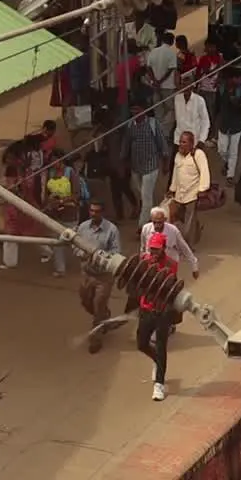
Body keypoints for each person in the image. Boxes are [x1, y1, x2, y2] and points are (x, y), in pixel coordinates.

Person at [138, 231, 179, 401]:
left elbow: (169, 286)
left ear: (163, 248)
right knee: (141, 343)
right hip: (145, 308)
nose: (153, 252)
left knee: (161, 345)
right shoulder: (144, 261)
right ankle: (157, 360)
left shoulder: (171, 264)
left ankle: (159, 384)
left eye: (156, 249)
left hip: (163, 311)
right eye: (151, 249)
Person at [76, 200, 120, 354]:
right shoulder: (82, 227)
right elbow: (75, 245)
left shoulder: (111, 230)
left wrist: (102, 258)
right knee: (85, 301)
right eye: (91, 211)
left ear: (103, 213)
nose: (93, 214)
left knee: (98, 304)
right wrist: (82, 254)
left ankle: (95, 339)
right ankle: (105, 318)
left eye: (97, 211)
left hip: (104, 277)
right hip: (87, 274)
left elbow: (116, 252)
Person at [120, 105, 168, 227]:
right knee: (141, 193)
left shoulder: (153, 124)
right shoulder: (130, 125)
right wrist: (124, 160)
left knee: (146, 197)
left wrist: (165, 162)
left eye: (138, 110)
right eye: (133, 110)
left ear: (144, 110)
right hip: (136, 166)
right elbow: (126, 143)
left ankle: (143, 225)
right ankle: (151, 216)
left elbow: (162, 142)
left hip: (151, 165)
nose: (135, 112)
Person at [167, 131, 210, 245]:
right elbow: (175, 174)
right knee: (178, 218)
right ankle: (193, 236)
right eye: (180, 141)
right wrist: (172, 189)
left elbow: (205, 172)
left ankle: (187, 244)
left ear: (192, 144)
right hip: (180, 194)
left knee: (189, 220)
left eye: (184, 142)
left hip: (193, 193)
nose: (181, 144)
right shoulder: (177, 155)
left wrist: (202, 189)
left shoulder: (199, 154)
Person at [215, 68, 241, 186]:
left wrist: (237, 103)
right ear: (230, 79)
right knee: (222, 150)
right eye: (237, 78)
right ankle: (227, 163)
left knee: (234, 151)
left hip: (236, 125)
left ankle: (230, 175)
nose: (239, 80)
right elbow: (217, 107)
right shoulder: (221, 90)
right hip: (223, 124)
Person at [172, 74, 210, 152]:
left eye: (187, 85)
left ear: (192, 86)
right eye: (183, 84)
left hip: (194, 142)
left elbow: (205, 122)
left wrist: (202, 140)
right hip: (179, 139)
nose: (185, 87)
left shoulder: (199, 100)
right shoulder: (177, 98)